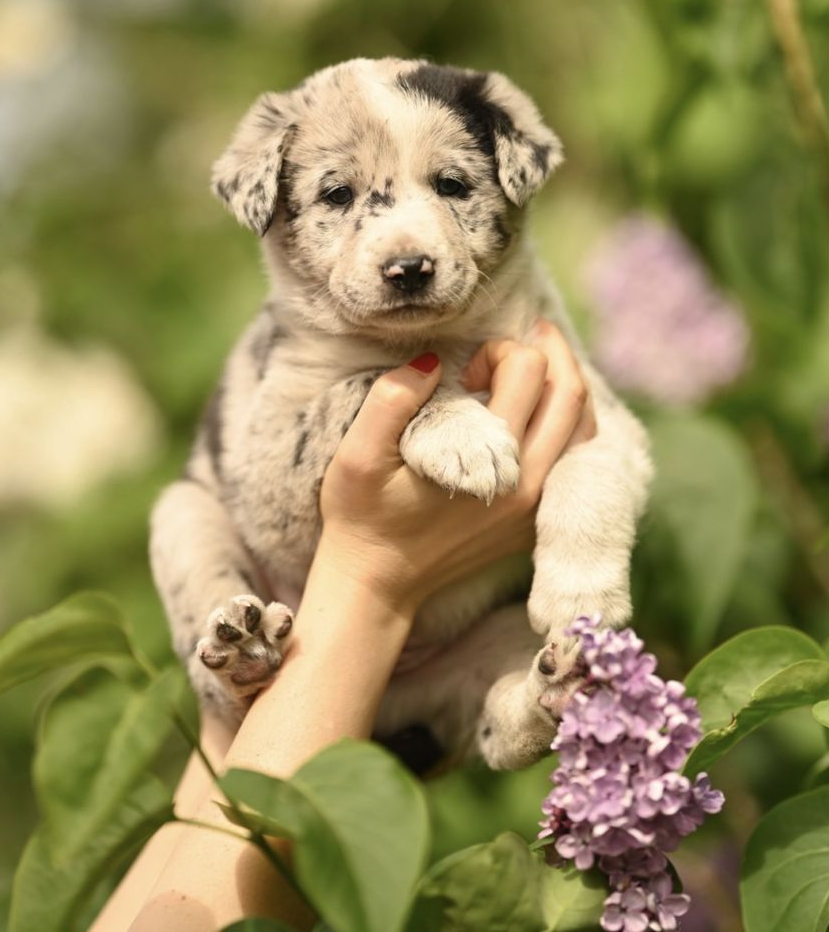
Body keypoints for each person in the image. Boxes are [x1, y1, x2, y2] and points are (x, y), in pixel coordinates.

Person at [91, 320, 595, 932]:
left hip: (446, 651)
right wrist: (371, 576)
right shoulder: (292, 343)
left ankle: (519, 710)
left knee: (519, 656)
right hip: (278, 578)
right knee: (181, 513)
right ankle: (233, 651)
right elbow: (269, 506)